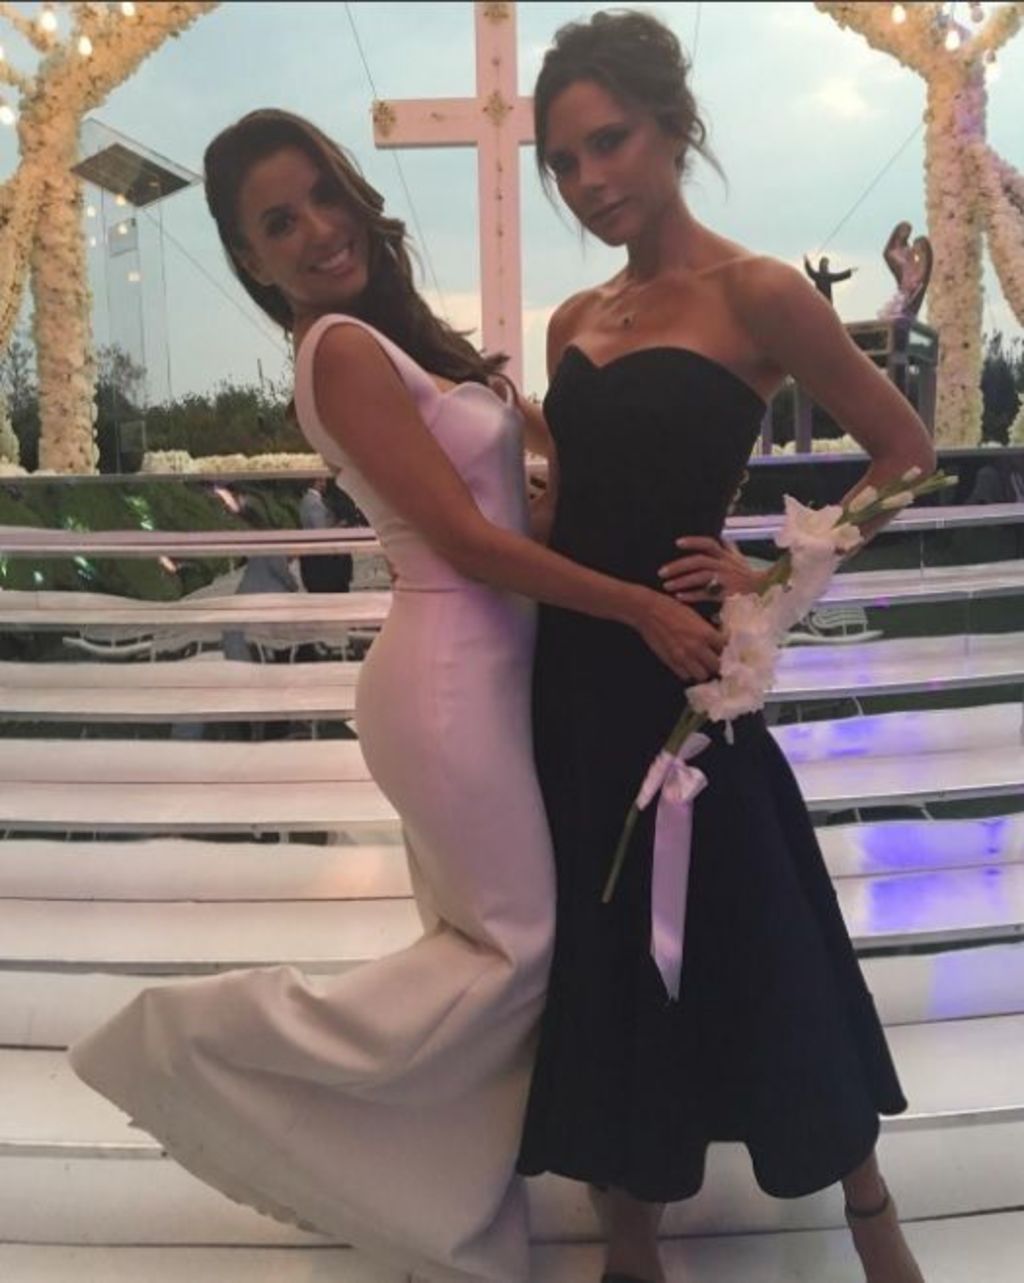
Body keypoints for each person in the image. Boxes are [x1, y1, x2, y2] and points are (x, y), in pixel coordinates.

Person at [68, 107, 721, 1283]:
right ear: (250, 257)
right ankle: (204, 1039)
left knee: (486, 946)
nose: (319, 229)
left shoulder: (397, 339)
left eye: (324, 194)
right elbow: (464, 543)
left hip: (490, 673)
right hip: (448, 682)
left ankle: (448, 1195)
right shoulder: (337, 350)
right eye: (280, 222)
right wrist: (637, 604)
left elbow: (516, 499)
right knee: (518, 951)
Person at [514, 14, 935, 1283]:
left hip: (686, 676)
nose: (589, 180)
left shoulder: (756, 292)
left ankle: (872, 1212)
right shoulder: (573, 317)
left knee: (756, 923)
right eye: (564, 161)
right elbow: (571, 501)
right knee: (604, 941)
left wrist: (770, 576)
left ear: (674, 126)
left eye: (609, 142)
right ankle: (630, 1244)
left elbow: (905, 454)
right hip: (572, 675)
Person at [297, 475, 355, 594]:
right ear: (316, 482)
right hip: (323, 563)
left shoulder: (308, 500)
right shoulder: (314, 503)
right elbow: (321, 532)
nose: (325, 484)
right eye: (322, 481)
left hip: (316, 561)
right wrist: (340, 526)